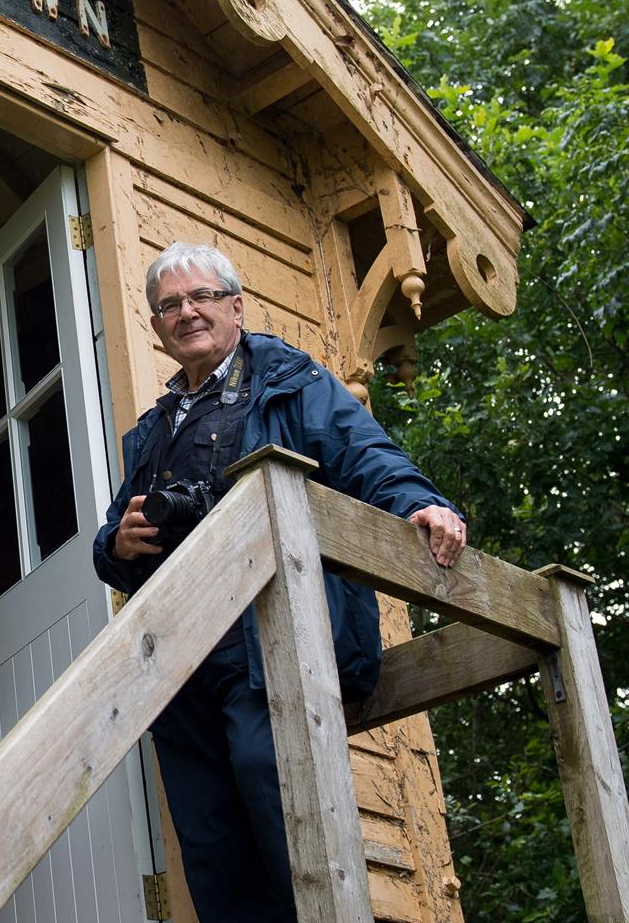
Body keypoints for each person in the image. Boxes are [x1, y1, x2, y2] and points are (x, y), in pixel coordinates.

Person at [93, 242, 465, 921]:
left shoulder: (290, 379)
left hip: (270, 635)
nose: (186, 313)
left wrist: (419, 502)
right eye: (169, 305)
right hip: (180, 654)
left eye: (201, 297)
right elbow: (114, 540)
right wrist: (116, 544)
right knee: (209, 839)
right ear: (156, 327)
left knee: (278, 792)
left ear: (235, 305)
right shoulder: (152, 430)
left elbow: (363, 451)